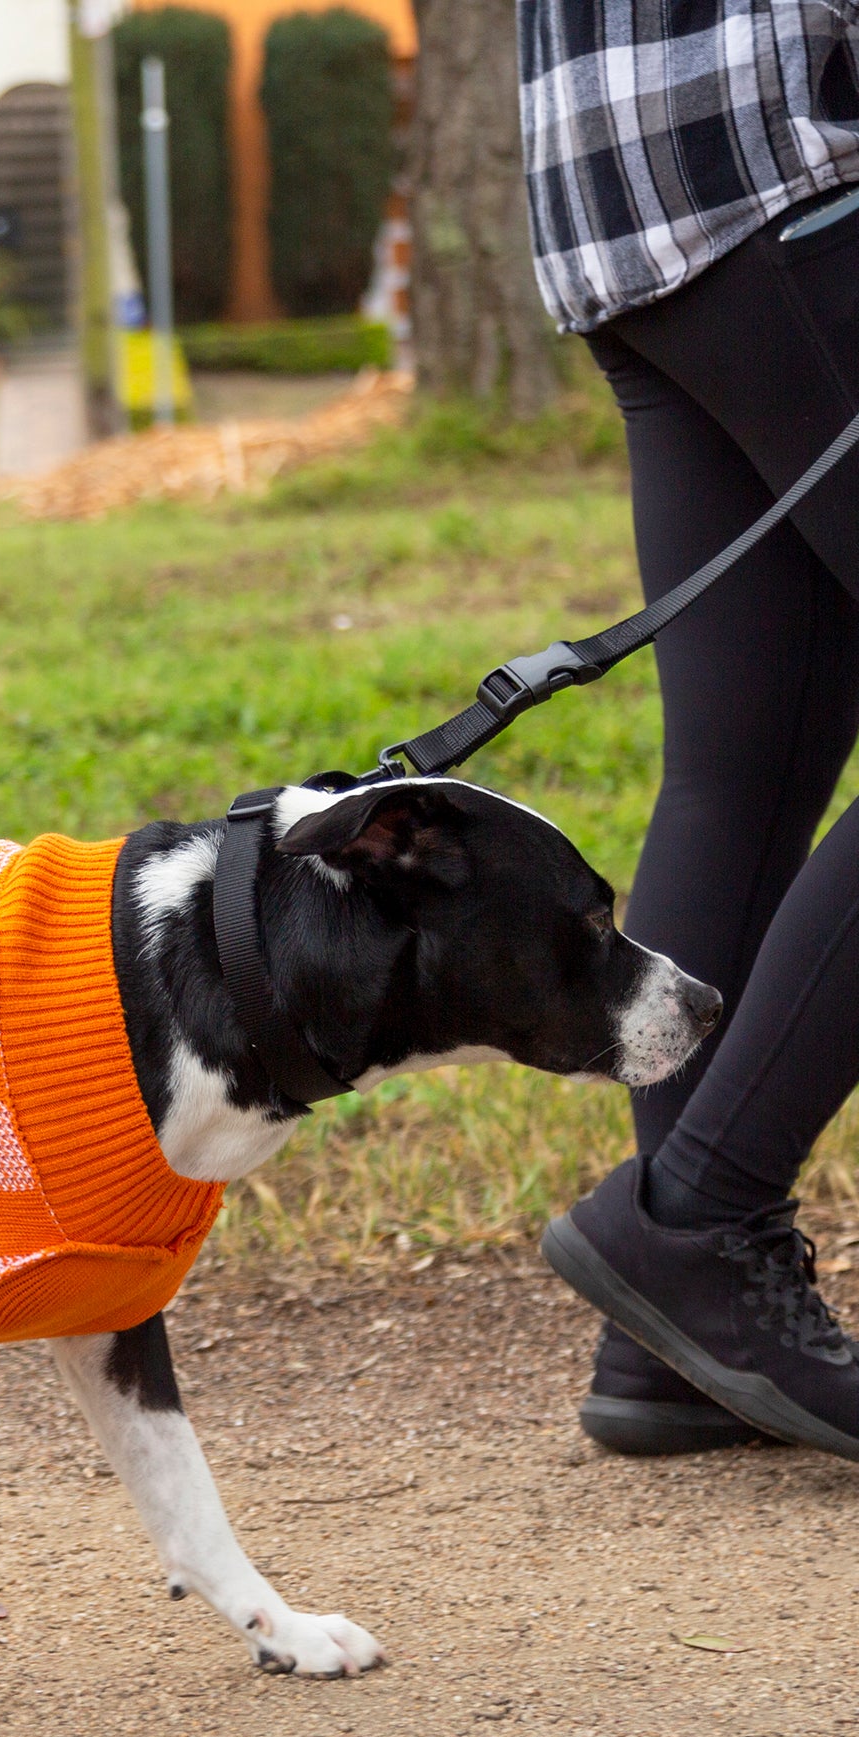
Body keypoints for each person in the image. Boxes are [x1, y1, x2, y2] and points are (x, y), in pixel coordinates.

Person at [518, 0, 859, 1461]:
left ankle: (674, 1348)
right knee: (740, 770)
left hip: (625, 184)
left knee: (745, 766)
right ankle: (701, 1221)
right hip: (799, 151)